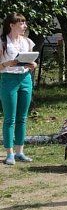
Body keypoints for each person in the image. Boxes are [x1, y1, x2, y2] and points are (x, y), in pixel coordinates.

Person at [0, 13, 36, 165]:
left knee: (22, 118)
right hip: (8, 79)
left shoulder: (27, 42)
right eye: (21, 23)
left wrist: (33, 65)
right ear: (11, 25)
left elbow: (33, 63)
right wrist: (8, 63)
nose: (25, 26)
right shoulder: (2, 43)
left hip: (25, 79)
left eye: (25, 23)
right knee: (10, 118)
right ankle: (9, 154)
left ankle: (20, 152)